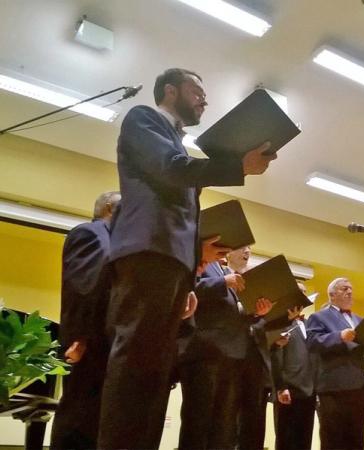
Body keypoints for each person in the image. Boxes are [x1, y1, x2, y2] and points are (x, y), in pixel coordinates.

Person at [98, 68, 276, 449]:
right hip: (148, 254)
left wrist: (191, 269)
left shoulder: (179, 144)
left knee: (155, 375)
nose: (204, 100)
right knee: (135, 368)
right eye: (197, 91)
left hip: (173, 266)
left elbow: (181, 211)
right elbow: (171, 169)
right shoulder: (144, 118)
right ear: (170, 91)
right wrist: (238, 166)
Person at [176, 245, 273, 449]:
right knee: (198, 421)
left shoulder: (228, 273)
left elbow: (232, 315)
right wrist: (223, 282)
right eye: (243, 247)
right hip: (204, 354)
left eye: (250, 248)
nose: (247, 251)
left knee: (224, 424)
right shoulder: (206, 264)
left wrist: (256, 312)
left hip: (232, 357)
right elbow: (186, 288)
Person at [50, 192, 120, 450]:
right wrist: (80, 338)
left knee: (96, 418)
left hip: (105, 342)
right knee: (79, 415)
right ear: (110, 208)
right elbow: (82, 287)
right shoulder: (90, 233)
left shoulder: (116, 240)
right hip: (90, 342)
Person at [306, 278, 364, 450]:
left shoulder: (359, 319)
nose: (349, 292)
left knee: (357, 438)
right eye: (344, 289)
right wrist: (339, 336)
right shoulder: (318, 317)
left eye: (351, 289)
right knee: (333, 439)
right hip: (333, 387)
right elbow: (312, 342)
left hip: (359, 386)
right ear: (332, 295)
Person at [271, 281, 318, 450]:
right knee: (285, 441)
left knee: (304, 441)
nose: (302, 296)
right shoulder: (277, 322)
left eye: (305, 292)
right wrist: (280, 386)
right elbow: (275, 355)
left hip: (309, 391)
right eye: (299, 292)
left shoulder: (309, 324)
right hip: (288, 390)